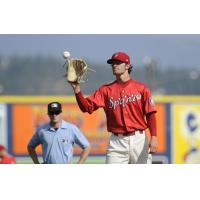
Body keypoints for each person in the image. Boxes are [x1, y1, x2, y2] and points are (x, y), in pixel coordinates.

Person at [69, 52, 158, 164]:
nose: (114, 65)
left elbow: (150, 113)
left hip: (139, 139)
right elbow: (86, 107)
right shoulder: (105, 90)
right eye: (112, 63)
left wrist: (154, 137)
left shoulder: (141, 89)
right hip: (117, 142)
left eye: (117, 63)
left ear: (127, 66)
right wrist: (77, 90)